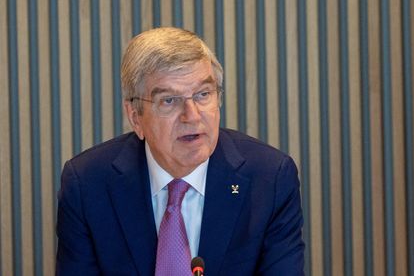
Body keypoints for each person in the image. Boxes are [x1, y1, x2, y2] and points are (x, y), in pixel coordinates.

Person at [56, 27, 304, 275]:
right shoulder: (88, 184)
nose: (192, 116)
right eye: (169, 100)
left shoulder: (269, 178)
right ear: (135, 118)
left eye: (203, 94)